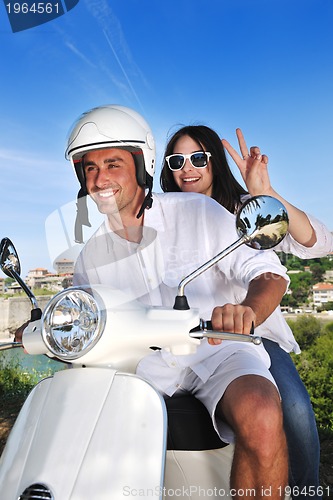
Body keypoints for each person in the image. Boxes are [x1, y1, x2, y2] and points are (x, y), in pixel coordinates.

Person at [66, 105, 291, 498]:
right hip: (145, 364)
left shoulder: (197, 210)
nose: (99, 178)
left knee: (263, 413)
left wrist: (248, 311)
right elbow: (82, 314)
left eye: (113, 164)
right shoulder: (90, 254)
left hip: (218, 347)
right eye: (89, 168)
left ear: (141, 165)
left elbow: (267, 272)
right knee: (85, 433)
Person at [160, 124, 333, 498]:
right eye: (177, 160)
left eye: (198, 158)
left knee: (295, 413)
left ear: (214, 163)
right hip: (179, 338)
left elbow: (320, 243)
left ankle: (303, 491)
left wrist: (264, 193)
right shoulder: (161, 216)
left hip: (248, 334)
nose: (187, 168)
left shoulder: (245, 210)